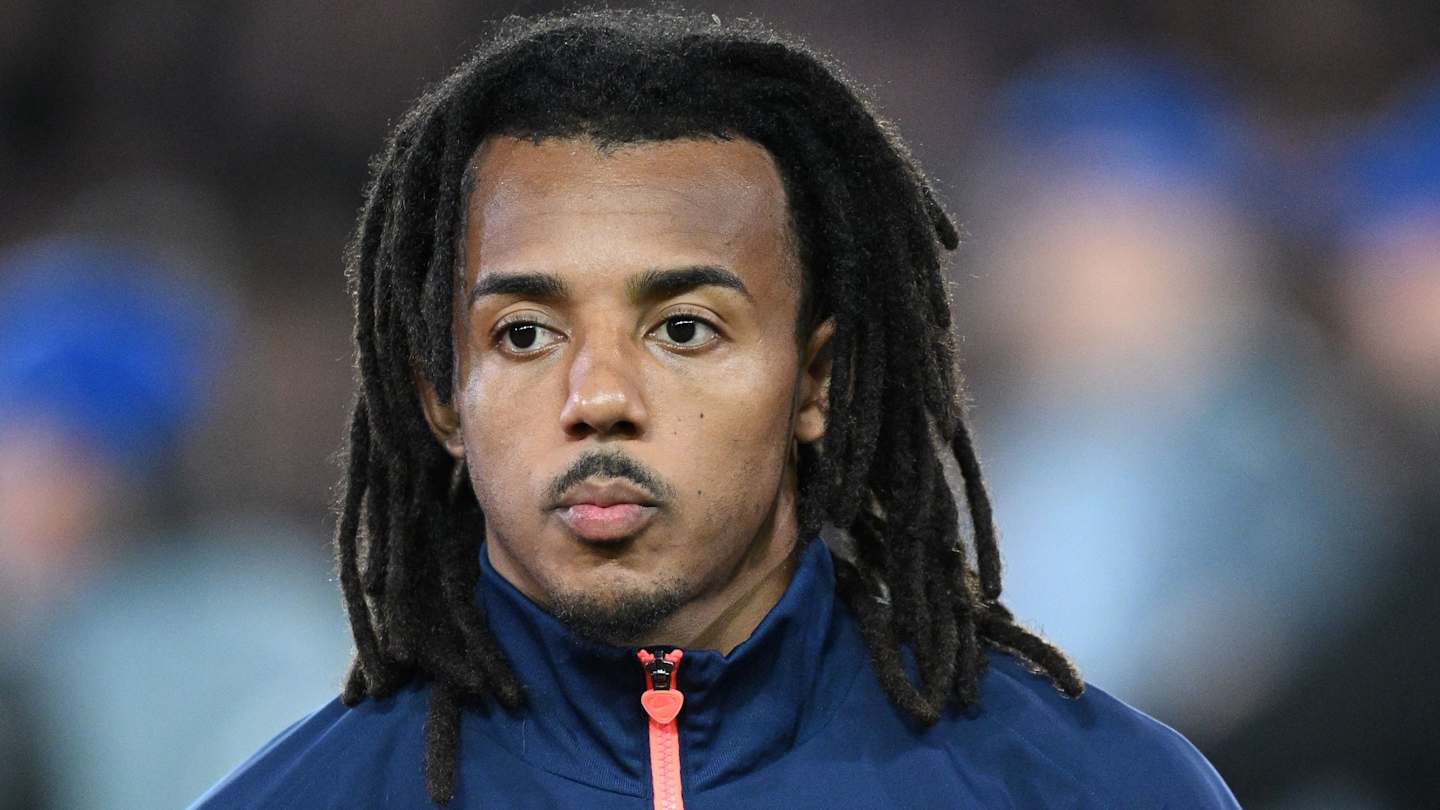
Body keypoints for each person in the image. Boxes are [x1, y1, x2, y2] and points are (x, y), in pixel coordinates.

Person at [191, 10, 1238, 808]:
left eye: (683, 329)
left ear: (816, 382)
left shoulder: (1100, 790)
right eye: (526, 335)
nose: (598, 398)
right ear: (441, 400)